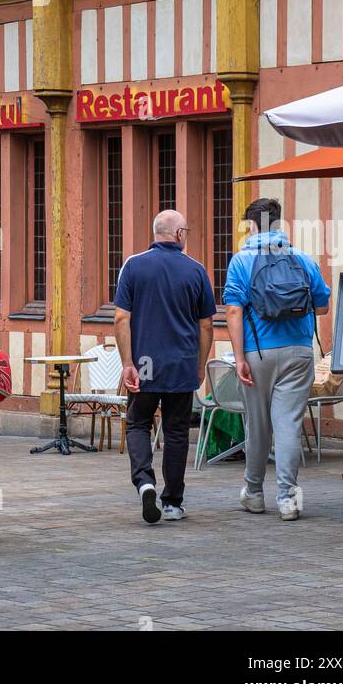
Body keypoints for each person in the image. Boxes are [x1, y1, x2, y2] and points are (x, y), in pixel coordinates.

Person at [223, 196, 331, 522]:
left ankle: (254, 493)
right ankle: (288, 499)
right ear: (279, 222)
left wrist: (239, 356)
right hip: (298, 351)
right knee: (289, 425)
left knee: (257, 426)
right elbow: (322, 306)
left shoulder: (241, 261)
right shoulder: (302, 258)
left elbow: (232, 310)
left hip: (258, 353)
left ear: (252, 225)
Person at [114, 210, 216, 524]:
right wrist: (200, 366)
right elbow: (206, 325)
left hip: (144, 363)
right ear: (179, 234)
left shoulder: (133, 265)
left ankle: (144, 481)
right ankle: (172, 502)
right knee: (175, 432)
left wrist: (128, 363)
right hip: (181, 363)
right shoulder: (196, 270)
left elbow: (121, 318)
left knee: (138, 423)